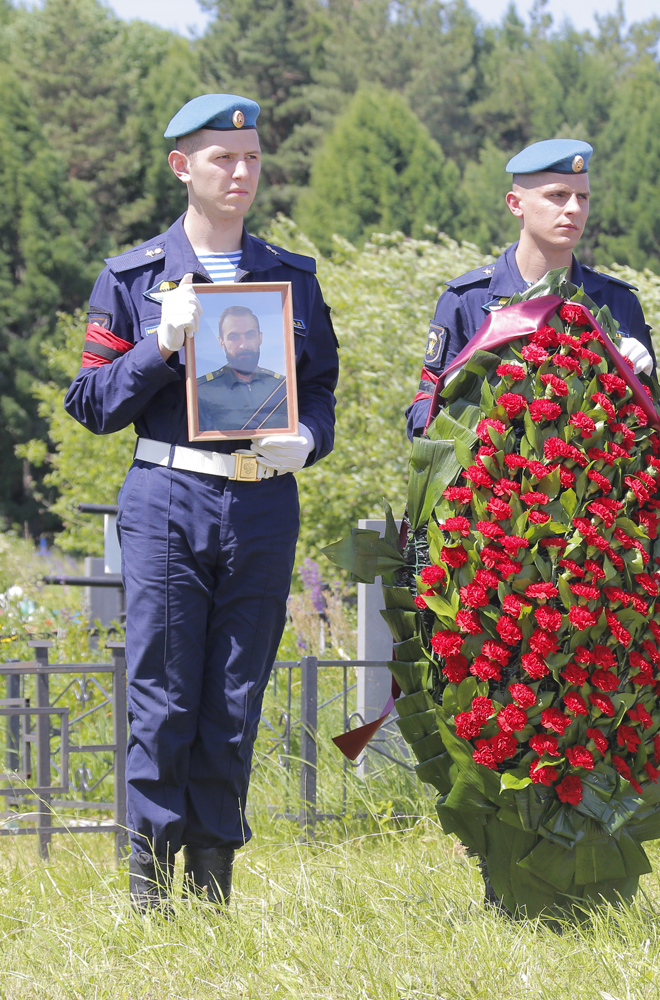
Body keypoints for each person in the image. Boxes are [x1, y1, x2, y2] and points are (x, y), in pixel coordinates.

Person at [64, 94, 339, 911]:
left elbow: (319, 390)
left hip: (261, 500)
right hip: (167, 499)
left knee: (233, 694)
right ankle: (150, 885)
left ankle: (212, 881)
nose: (242, 172)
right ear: (183, 166)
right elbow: (90, 404)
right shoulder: (132, 278)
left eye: (252, 156)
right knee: (164, 692)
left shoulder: (291, 278)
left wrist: (310, 442)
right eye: (224, 157)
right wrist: (161, 345)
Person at [404, 138, 656, 438]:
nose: (574, 208)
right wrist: (458, 402)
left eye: (583, 197)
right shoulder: (466, 300)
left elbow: (652, 425)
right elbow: (422, 412)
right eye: (558, 195)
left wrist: (637, 381)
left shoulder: (616, 302)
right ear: (515, 204)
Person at [196, 305, 289, 432]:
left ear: (259, 338)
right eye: (234, 337)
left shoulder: (282, 386)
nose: (243, 345)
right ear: (221, 342)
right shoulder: (203, 389)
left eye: (250, 335)